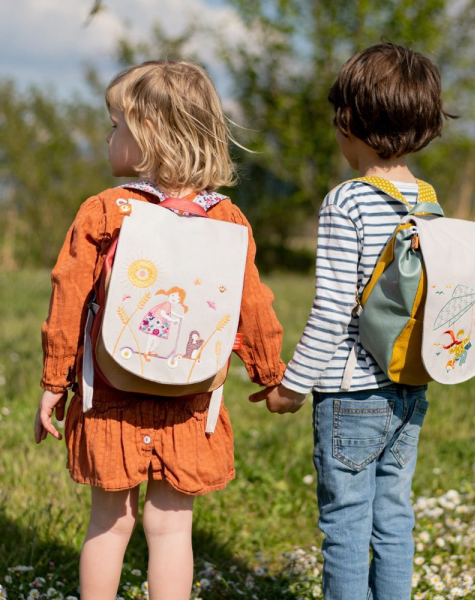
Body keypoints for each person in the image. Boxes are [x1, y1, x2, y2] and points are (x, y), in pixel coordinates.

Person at [34, 60, 285, 600]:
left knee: (109, 524)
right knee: (172, 529)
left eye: (116, 126)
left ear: (149, 136)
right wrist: (270, 373)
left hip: (112, 398)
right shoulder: (228, 220)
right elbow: (252, 305)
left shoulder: (104, 211)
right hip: (191, 401)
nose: (109, 137)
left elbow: (67, 299)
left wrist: (55, 381)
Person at [250, 43, 453, 599]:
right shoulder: (430, 200)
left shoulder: (347, 202)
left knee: (344, 526)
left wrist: (292, 386)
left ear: (348, 124)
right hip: (410, 387)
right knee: (394, 519)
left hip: (351, 396)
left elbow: (332, 312)